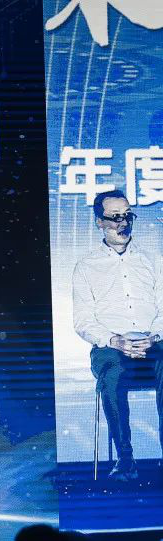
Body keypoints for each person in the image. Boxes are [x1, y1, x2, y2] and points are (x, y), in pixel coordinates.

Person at [72, 189, 163, 481]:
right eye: (114, 218)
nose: (122, 223)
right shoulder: (86, 266)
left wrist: (154, 336)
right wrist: (116, 340)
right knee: (112, 373)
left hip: (154, 342)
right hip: (111, 345)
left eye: (127, 216)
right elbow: (83, 321)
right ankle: (126, 460)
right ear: (99, 222)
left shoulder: (153, 259)